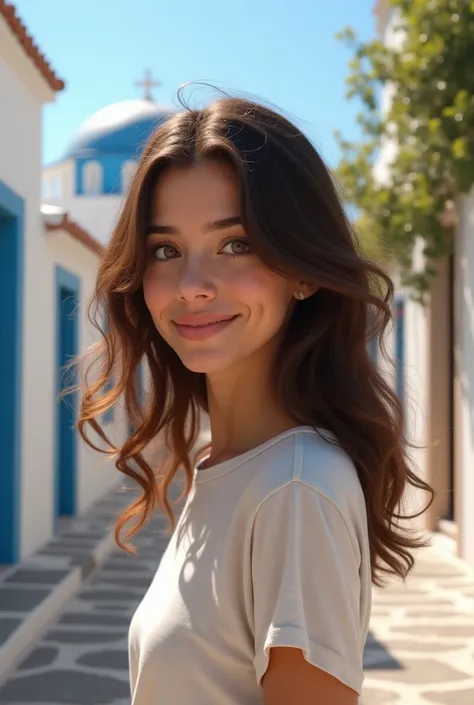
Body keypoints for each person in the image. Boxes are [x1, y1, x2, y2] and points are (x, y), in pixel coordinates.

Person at [77, 94, 433, 705]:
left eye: (235, 244)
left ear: (303, 271)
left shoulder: (295, 490)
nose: (191, 286)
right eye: (166, 250)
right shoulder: (230, 463)